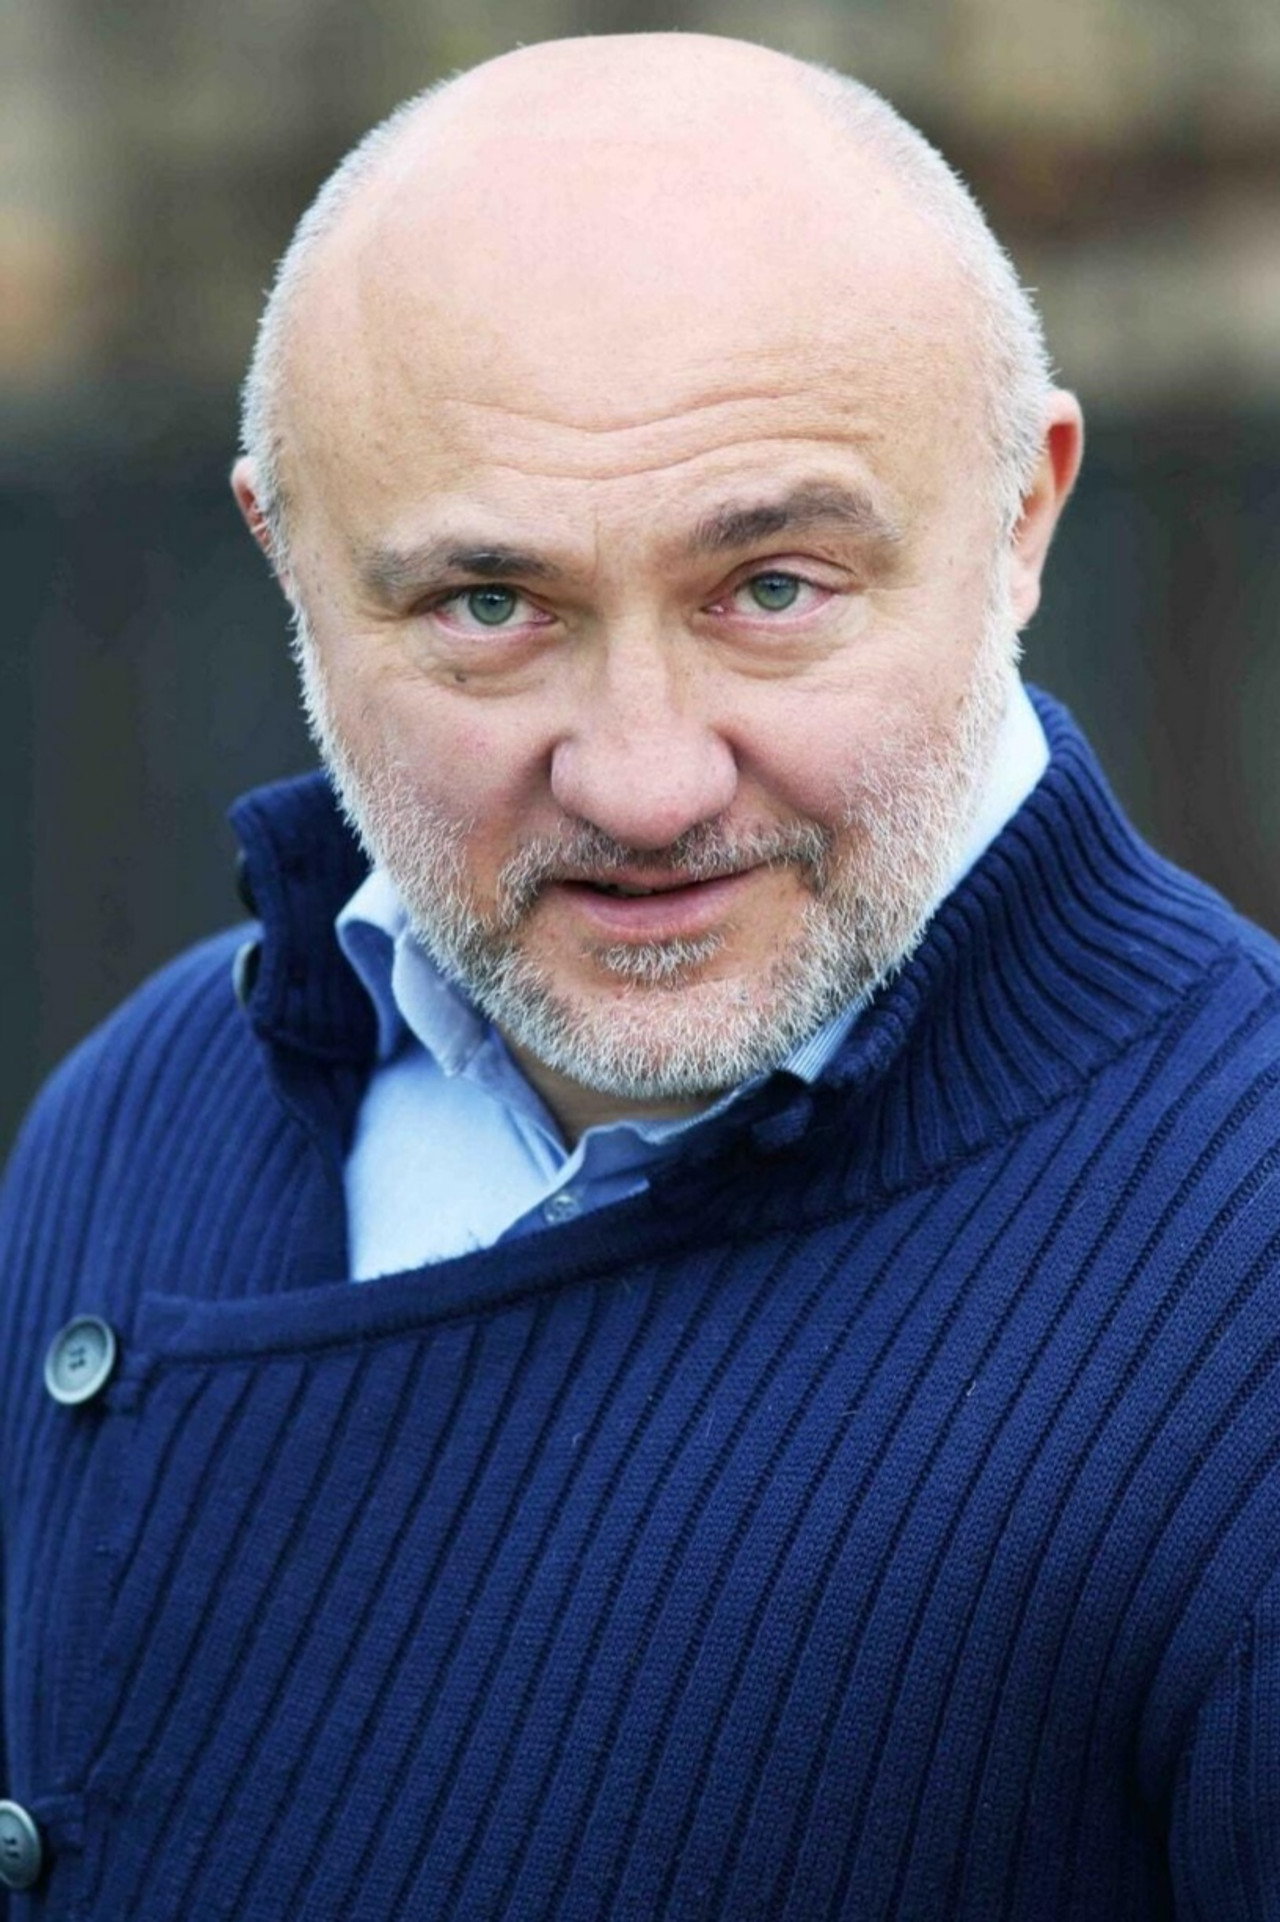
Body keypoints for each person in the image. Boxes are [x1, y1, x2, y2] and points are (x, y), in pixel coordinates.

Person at [2, 33, 1278, 1922]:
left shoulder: (1246, 1261)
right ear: (288, 560)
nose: (644, 782)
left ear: (1023, 515)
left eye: (771, 590)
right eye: (490, 608)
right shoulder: (142, 1114)